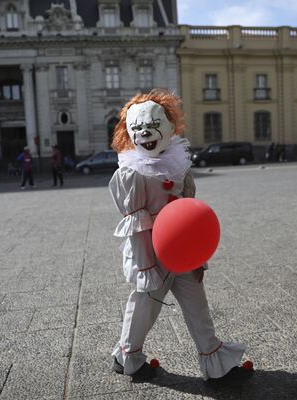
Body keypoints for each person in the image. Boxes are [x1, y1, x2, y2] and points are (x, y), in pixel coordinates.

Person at [108, 89, 253, 385]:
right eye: (137, 128)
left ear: (170, 125)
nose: (145, 133)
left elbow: (189, 211)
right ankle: (126, 357)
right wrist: (145, 267)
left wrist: (198, 258)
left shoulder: (180, 164)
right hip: (150, 256)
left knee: (198, 306)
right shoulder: (132, 174)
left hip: (183, 253)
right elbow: (135, 225)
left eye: (152, 125)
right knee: (143, 310)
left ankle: (218, 367)